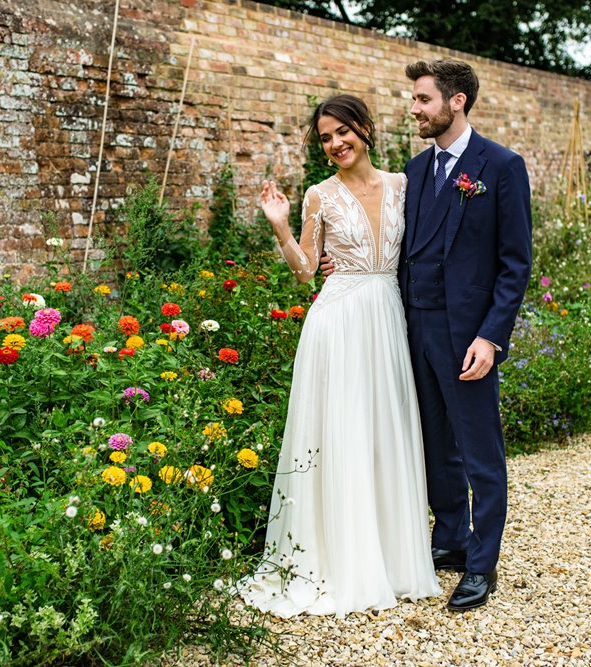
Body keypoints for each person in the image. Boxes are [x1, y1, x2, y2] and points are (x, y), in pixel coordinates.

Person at [322, 59, 532, 611]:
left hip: (468, 339)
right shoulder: (414, 172)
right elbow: (388, 240)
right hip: (411, 330)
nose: (413, 109)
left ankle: (482, 566)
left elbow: (515, 265)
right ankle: (452, 541)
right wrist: (341, 264)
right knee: (435, 446)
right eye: (413, 100)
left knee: (480, 452)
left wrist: (491, 337)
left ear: (456, 101)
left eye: (422, 100)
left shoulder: (500, 167)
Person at [238, 95, 441, 618]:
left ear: (365, 128)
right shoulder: (318, 195)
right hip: (339, 321)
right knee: (344, 434)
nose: (335, 144)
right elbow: (306, 271)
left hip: (389, 320)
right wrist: (281, 227)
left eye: (342, 132)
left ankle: (392, 559)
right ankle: (343, 561)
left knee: (385, 433)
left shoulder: (404, 185)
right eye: (325, 138)